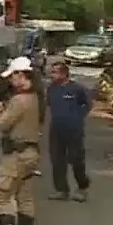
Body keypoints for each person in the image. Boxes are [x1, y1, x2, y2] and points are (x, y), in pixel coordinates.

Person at [0, 56, 42, 225]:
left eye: (12, 76)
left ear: (21, 75)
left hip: (17, 155)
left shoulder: (19, 101)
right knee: (24, 197)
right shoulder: (36, 97)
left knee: (2, 194)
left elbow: (3, 124)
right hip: (31, 153)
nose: (10, 80)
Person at [46, 61, 92, 201]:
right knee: (57, 160)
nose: (51, 75)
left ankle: (82, 186)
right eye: (51, 72)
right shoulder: (51, 88)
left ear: (64, 74)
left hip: (74, 129)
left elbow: (88, 104)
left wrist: (78, 116)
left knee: (76, 159)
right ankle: (61, 190)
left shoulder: (77, 89)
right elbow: (49, 104)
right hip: (56, 128)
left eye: (55, 72)